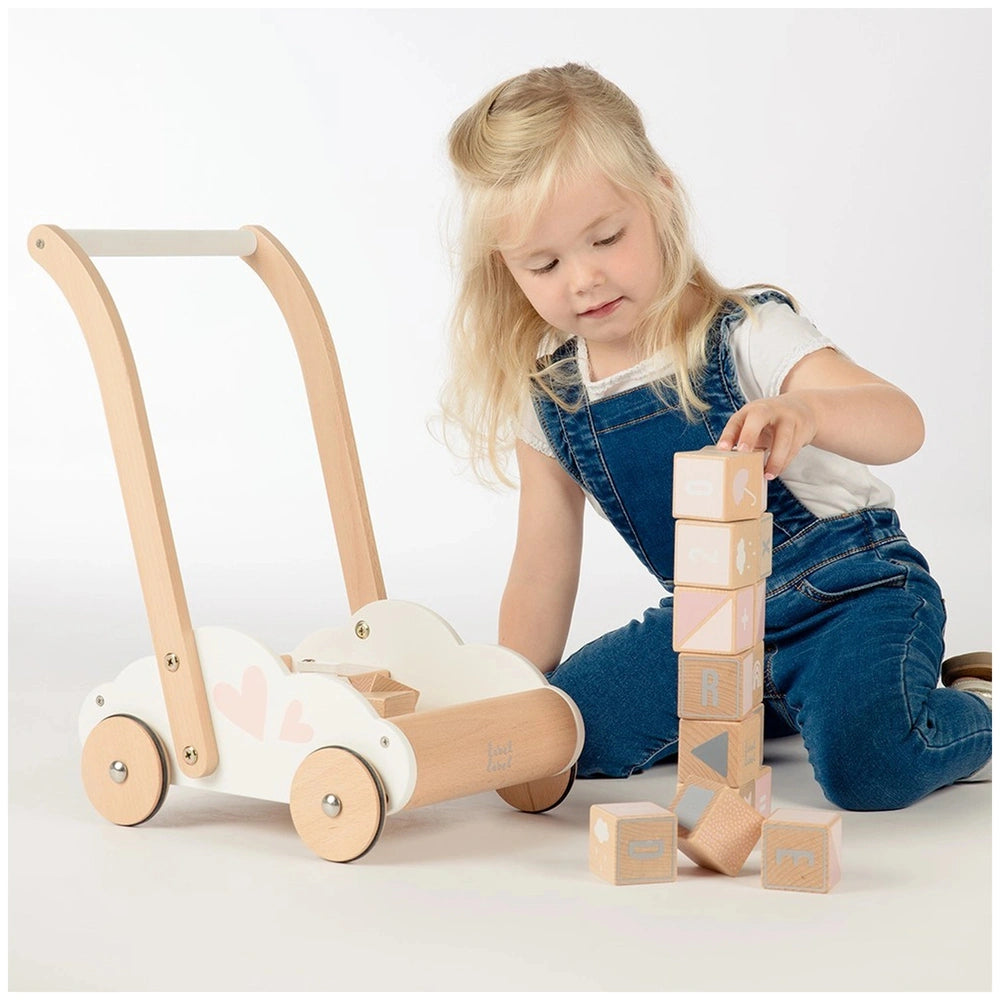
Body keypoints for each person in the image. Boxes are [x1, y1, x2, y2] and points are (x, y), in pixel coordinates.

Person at [439, 63, 991, 810]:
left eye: (605, 238)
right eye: (545, 263)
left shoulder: (746, 333)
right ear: (507, 269)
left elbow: (903, 423)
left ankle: (974, 704)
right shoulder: (550, 399)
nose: (583, 279)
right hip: (710, 623)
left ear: (660, 196)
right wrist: (509, 704)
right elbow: (541, 563)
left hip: (850, 593)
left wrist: (811, 413)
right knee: (567, 731)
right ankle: (787, 701)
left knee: (869, 767)